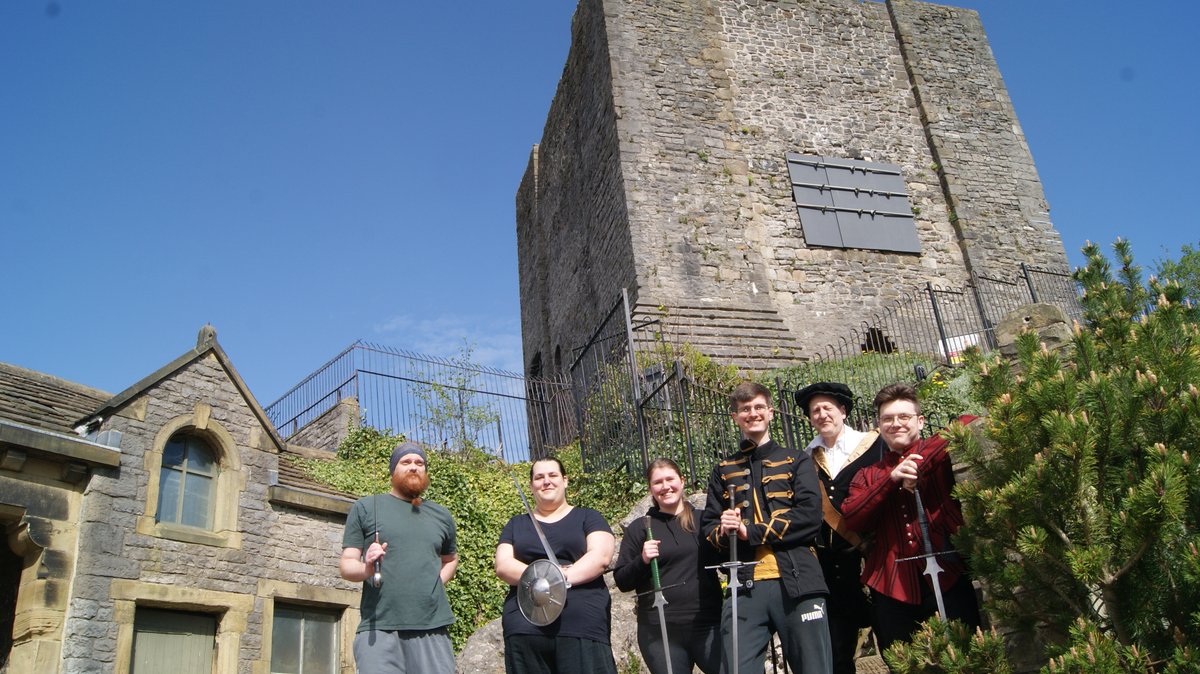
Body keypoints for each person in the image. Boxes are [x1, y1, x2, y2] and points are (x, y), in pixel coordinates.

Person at [700, 381, 833, 674]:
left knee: (815, 668)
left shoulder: (797, 460)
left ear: (771, 412)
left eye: (759, 407)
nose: (753, 413)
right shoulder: (723, 469)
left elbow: (810, 517)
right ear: (735, 417)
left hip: (799, 581)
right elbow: (708, 526)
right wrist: (724, 529)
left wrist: (752, 532)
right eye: (745, 409)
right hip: (745, 587)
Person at [841, 383, 982, 657]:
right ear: (878, 425)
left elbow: (968, 421)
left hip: (948, 577)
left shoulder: (938, 451)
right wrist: (891, 480)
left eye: (904, 417)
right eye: (888, 419)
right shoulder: (866, 474)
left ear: (920, 420)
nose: (896, 424)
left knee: (966, 659)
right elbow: (853, 517)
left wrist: (916, 463)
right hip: (890, 586)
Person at [340, 441, 459, 674]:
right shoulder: (365, 507)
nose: (413, 467)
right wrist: (367, 567)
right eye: (406, 462)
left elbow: (450, 559)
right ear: (393, 470)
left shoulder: (442, 515)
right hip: (379, 629)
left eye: (419, 463)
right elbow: (346, 565)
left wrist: (435, 584)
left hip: (432, 627)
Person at [795, 382, 887, 674]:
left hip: (877, 558)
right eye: (815, 411)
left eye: (828, 408)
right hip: (833, 570)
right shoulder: (807, 457)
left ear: (843, 411)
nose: (822, 415)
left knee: (894, 642)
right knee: (838, 653)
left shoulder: (876, 446)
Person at [494, 457, 618, 674]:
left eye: (552, 475)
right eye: (539, 477)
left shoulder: (589, 517)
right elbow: (503, 565)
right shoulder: (516, 524)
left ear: (565, 480)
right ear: (532, 485)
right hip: (526, 627)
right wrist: (542, 577)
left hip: (580, 624)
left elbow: (600, 557)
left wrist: (557, 578)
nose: (546, 482)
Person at [613, 458, 723, 674]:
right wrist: (642, 560)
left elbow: (725, 561)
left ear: (682, 481)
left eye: (670, 479)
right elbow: (622, 580)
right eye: (657, 482)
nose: (665, 487)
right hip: (659, 630)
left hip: (708, 623)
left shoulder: (704, 521)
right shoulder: (640, 528)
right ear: (650, 489)